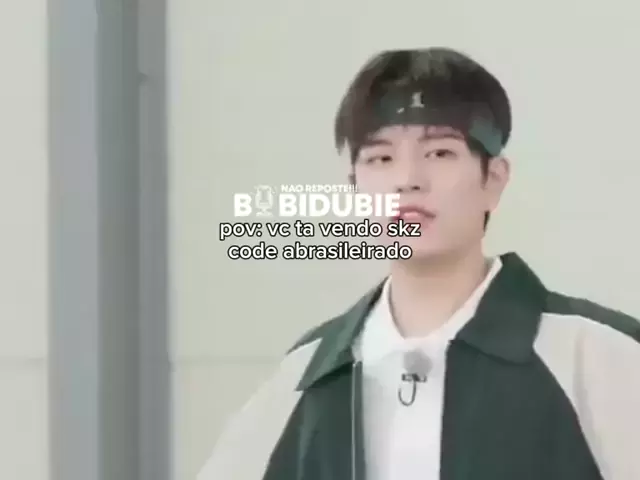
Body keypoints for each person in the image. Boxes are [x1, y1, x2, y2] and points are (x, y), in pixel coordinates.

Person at [198, 48, 640, 480]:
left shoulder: (596, 354)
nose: (407, 180)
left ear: (493, 179)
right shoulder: (308, 373)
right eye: (381, 158)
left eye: (440, 153)